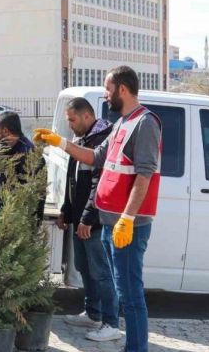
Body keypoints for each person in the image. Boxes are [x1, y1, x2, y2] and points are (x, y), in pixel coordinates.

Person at [35, 66, 162, 352]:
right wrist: (60, 143)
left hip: (127, 225)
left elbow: (145, 175)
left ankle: (136, 348)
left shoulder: (145, 123)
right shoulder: (121, 124)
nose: (105, 96)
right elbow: (95, 156)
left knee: (130, 293)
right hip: (110, 222)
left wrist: (127, 218)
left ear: (123, 90)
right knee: (121, 289)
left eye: (108, 89)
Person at [57, 97, 120, 342]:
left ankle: (111, 323)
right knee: (84, 268)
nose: (70, 125)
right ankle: (93, 313)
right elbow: (72, 179)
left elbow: (99, 185)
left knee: (102, 272)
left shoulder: (103, 140)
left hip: (93, 221)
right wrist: (66, 208)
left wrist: (87, 219)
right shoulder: (80, 140)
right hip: (79, 219)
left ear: (86, 116)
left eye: (72, 120)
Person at [0, 111, 45, 220]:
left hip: (21, 221)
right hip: (5, 217)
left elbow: (30, 194)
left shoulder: (28, 154)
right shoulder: (5, 149)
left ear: (5, 131)